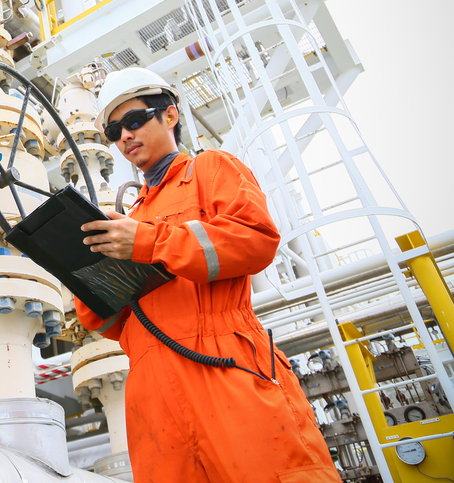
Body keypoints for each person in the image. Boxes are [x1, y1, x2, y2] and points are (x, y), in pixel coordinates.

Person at [74, 66, 339, 483]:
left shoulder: (211, 170)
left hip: (224, 368)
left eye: (134, 120)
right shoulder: (130, 219)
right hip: (152, 397)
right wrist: (82, 273)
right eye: (113, 131)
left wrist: (147, 242)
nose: (125, 136)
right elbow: (109, 322)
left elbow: (255, 239)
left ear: (170, 115)